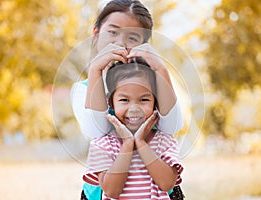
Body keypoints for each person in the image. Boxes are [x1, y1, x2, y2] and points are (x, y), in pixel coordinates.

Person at [70, 0, 183, 139]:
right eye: (112, 32)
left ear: (143, 45)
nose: (120, 43)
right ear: (96, 33)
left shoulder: (154, 81)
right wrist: (95, 69)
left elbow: (172, 127)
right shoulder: (82, 89)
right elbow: (96, 131)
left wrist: (161, 68)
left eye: (132, 38)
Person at [83, 60, 184, 199]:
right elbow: (112, 191)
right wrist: (128, 144)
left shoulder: (165, 141)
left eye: (144, 100)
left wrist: (141, 143)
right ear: (111, 102)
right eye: (124, 100)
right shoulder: (102, 144)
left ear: (155, 102)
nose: (134, 108)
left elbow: (167, 184)